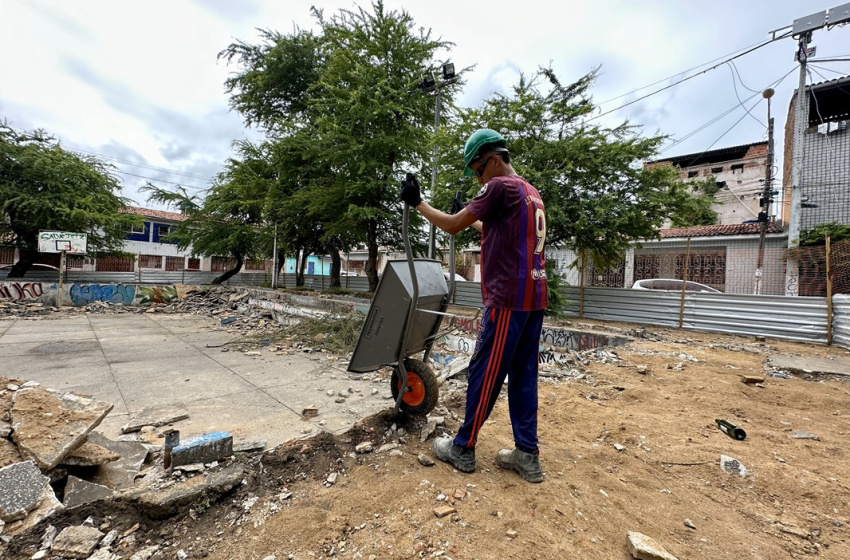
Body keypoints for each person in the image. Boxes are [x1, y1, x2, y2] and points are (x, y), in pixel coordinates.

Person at [399, 128, 548, 483]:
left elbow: (451, 227)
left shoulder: (498, 187)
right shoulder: (530, 192)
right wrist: (473, 218)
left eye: (478, 170)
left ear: (495, 159)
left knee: (485, 373)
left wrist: (417, 202)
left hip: (507, 301)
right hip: (533, 300)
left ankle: (463, 447)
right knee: (523, 377)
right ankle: (527, 454)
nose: (477, 178)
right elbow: (498, 230)